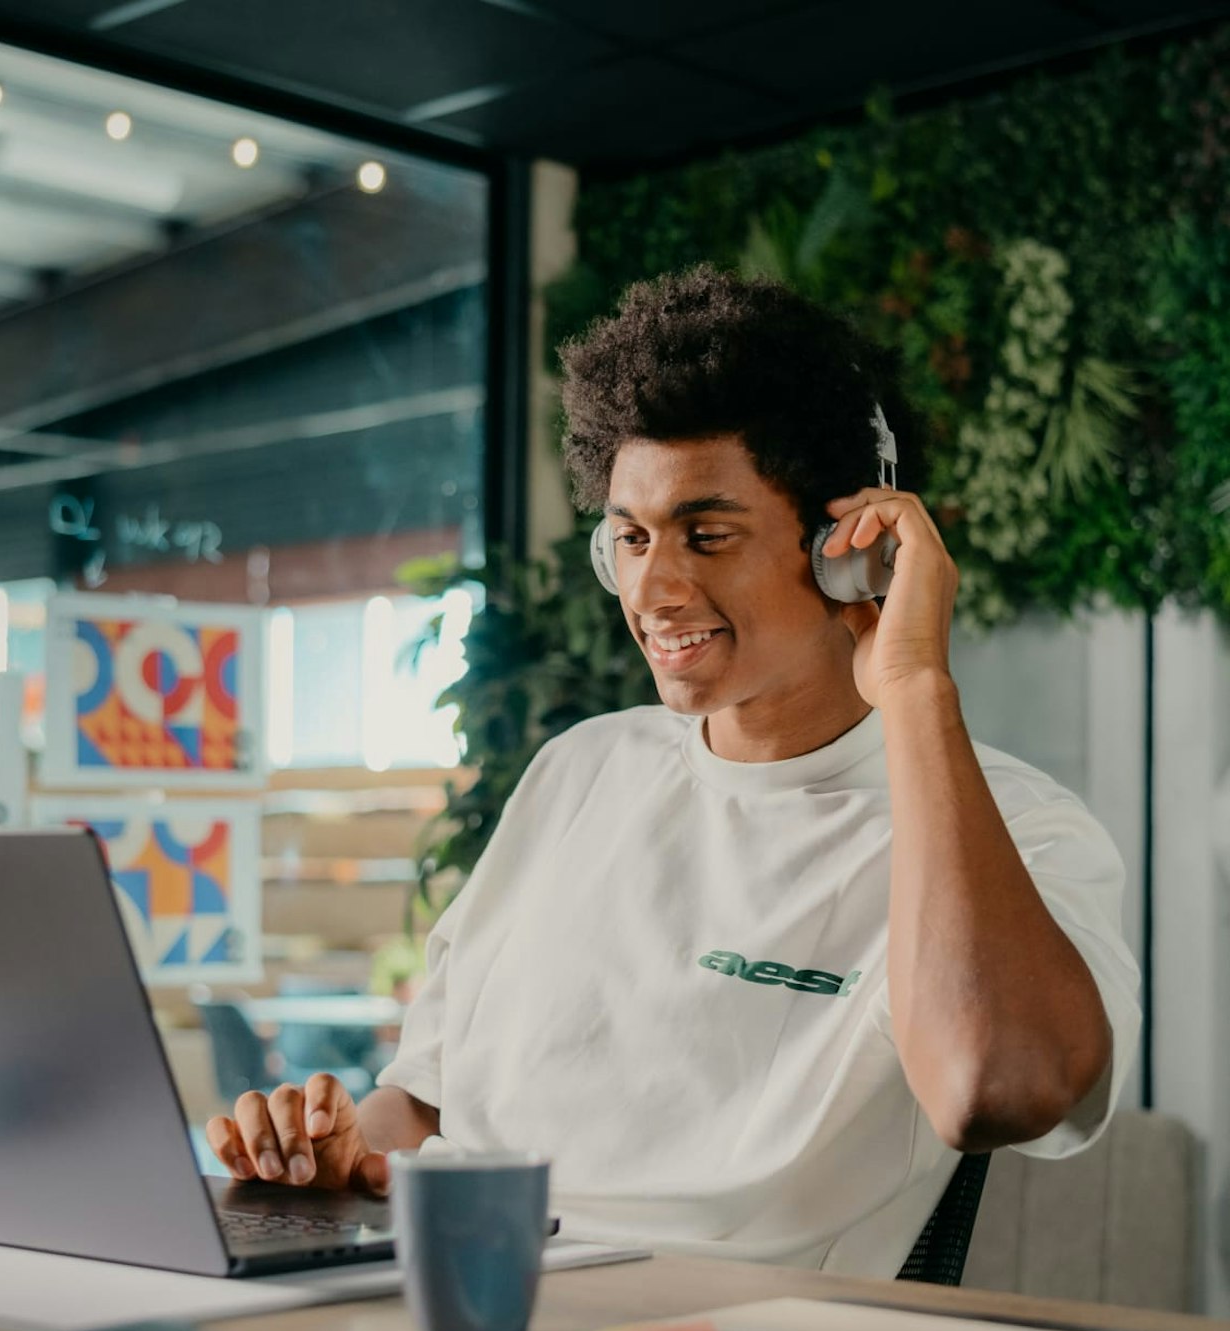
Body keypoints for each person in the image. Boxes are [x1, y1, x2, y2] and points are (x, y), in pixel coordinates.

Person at [207, 266, 1140, 1276]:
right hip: (465, 1300)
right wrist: (341, 1156)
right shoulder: (579, 771)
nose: (651, 589)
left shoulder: (1013, 828)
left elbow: (993, 1088)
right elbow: (424, 1107)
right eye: (630, 538)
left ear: (850, 548)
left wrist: (915, 687)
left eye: (706, 535)